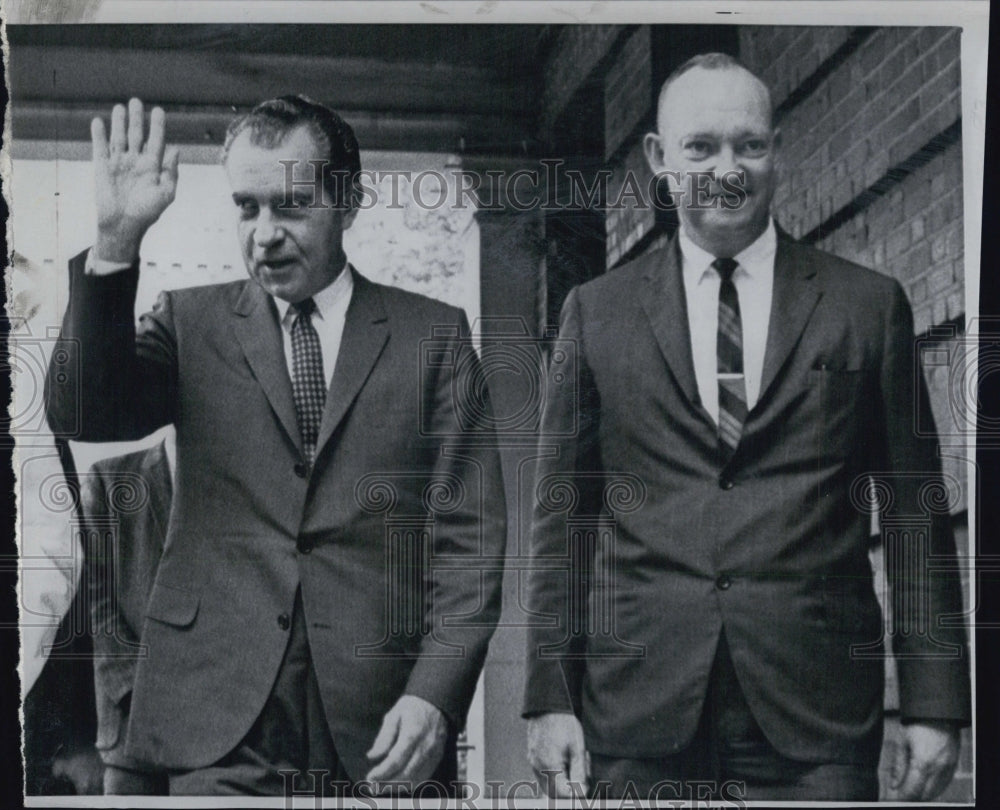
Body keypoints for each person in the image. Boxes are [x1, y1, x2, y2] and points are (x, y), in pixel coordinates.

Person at [523, 53, 970, 802]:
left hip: (815, 718)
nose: (728, 169)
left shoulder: (865, 307)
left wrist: (933, 701)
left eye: (749, 145)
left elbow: (913, 516)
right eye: (701, 147)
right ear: (661, 161)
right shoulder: (596, 315)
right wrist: (548, 693)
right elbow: (561, 518)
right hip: (638, 712)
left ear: (777, 152)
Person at [45, 95, 506, 795]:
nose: (264, 234)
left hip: (380, 727)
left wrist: (435, 694)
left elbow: (469, 544)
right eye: (246, 207)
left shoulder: (433, 339)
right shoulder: (189, 323)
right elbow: (83, 411)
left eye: (289, 207)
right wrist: (114, 247)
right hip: (215, 727)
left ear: (347, 201)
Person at [79, 438, 174, 795]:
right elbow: (96, 601)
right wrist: (137, 690)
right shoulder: (108, 478)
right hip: (130, 737)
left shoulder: (235, 481)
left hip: (221, 736)